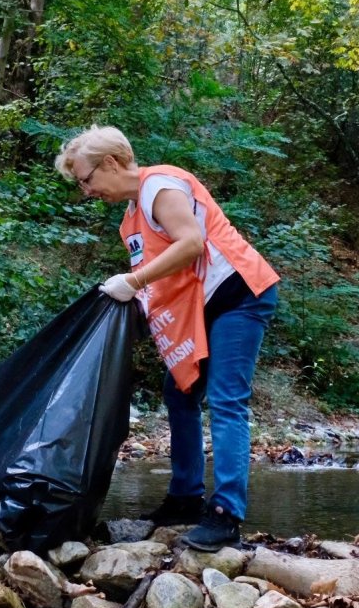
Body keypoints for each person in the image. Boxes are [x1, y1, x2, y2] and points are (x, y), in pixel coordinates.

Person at [55, 126, 279, 551]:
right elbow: (159, 283)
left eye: (86, 179)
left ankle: (225, 514)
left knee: (226, 398)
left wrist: (133, 278)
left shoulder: (160, 185)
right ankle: (184, 499)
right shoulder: (130, 218)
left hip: (239, 294)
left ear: (111, 163)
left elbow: (192, 243)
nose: (86, 191)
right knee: (179, 394)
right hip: (199, 305)